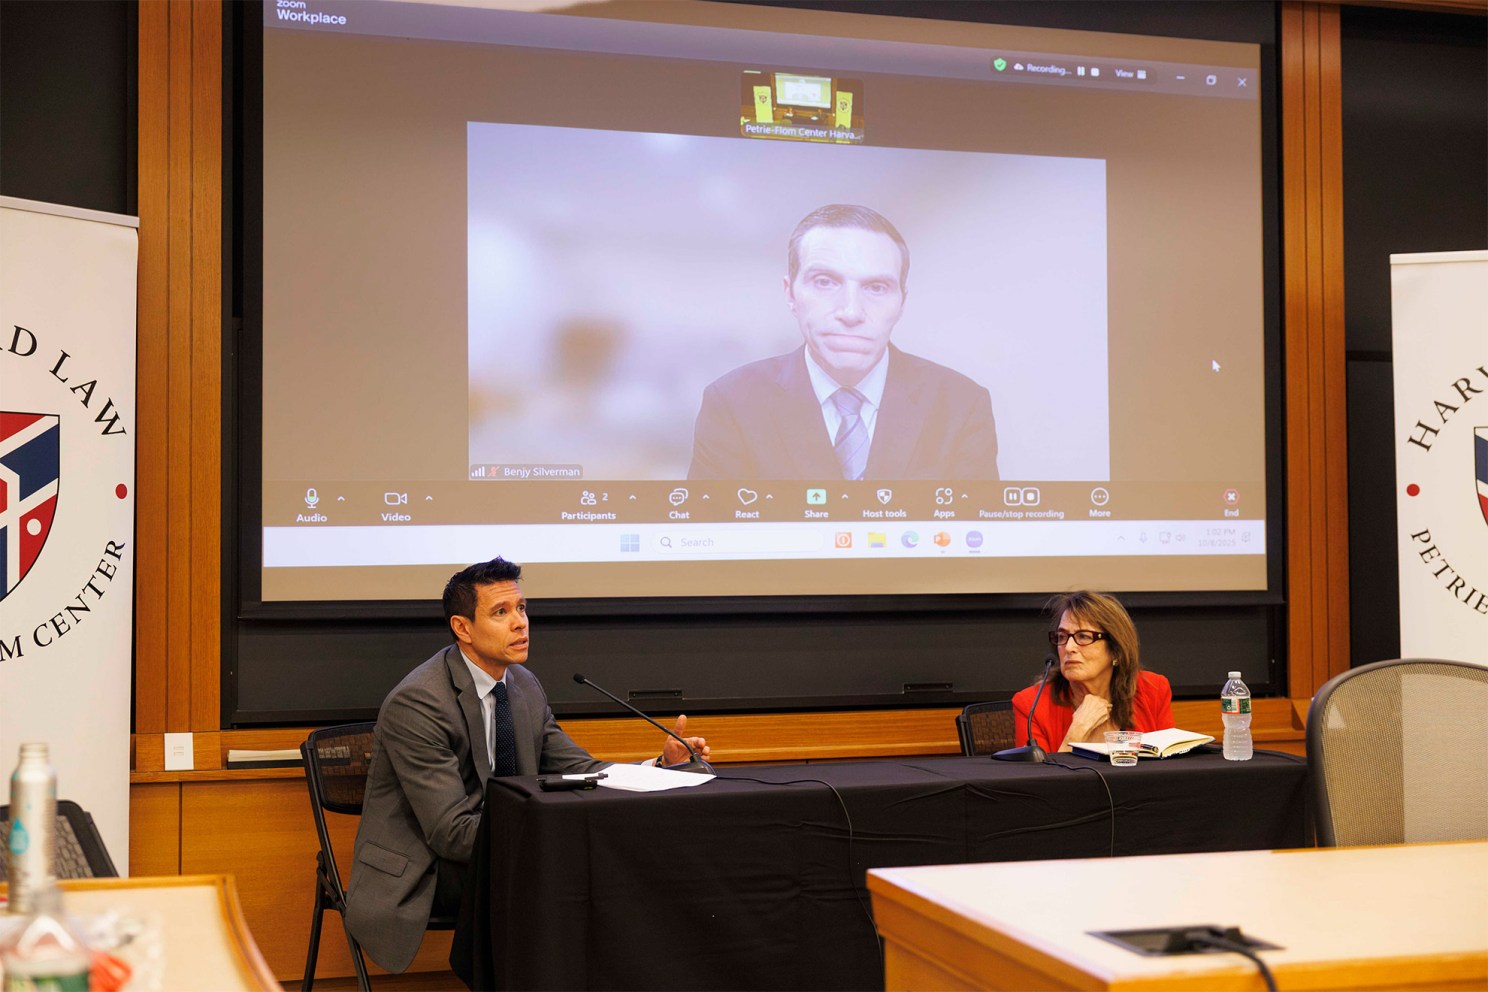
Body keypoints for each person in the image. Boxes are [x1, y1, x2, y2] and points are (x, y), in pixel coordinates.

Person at [344, 557, 709, 974]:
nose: (520, 623)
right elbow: (449, 833)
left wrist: (661, 766)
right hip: (428, 868)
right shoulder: (420, 702)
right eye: (501, 612)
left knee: (599, 869)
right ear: (462, 628)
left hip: (501, 850)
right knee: (559, 879)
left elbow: (583, 769)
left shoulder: (523, 686)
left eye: (521, 608)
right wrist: (542, 836)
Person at [687, 204, 999, 480]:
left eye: (876, 287)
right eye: (825, 282)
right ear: (790, 293)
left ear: (902, 302)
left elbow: (979, 537)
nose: (851, 312)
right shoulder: (732, 401)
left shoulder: (961, 404)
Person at [1012, 590, 1174, 753]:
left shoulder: (1152, 690)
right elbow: (1038, 777)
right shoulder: (1031, 705)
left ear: (1116, 650)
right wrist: (1077, 732)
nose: (1068, 648)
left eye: (1083, 637)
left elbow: (1169, 767)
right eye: (1062, 637)